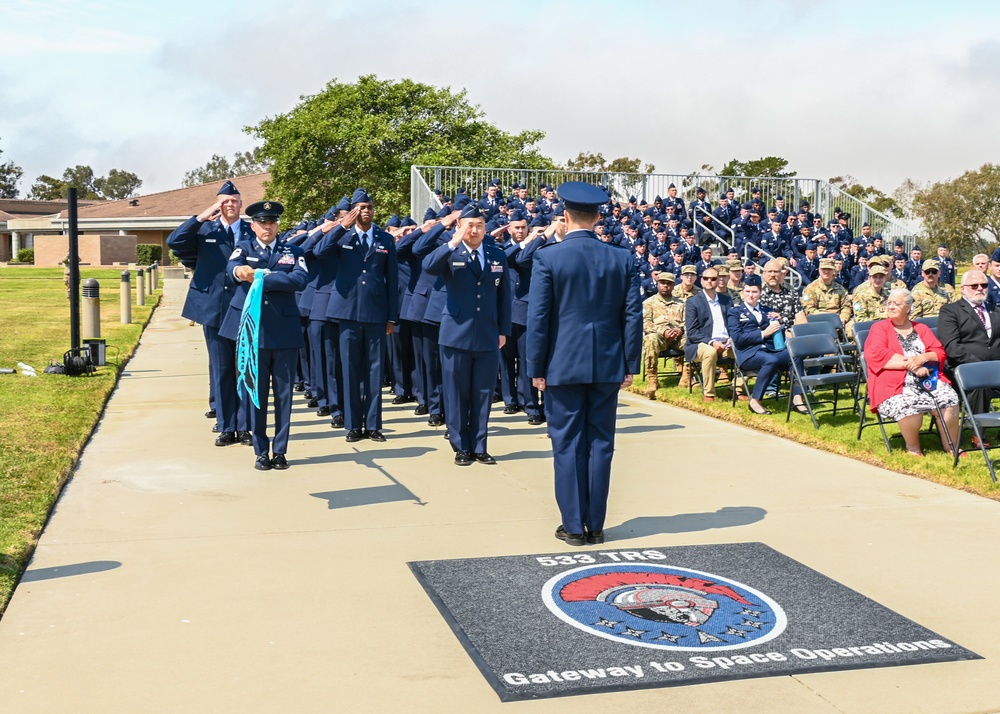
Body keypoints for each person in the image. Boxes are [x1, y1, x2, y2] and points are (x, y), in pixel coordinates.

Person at [527, 181, 642, 547]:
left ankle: (574, 526)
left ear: (565, 216)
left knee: (566, 444)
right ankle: (595, 524)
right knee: (601, 443)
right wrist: (629, 363)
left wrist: (536, 367)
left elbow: (539, 317)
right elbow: (632, 316)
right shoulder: (621, 257)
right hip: (607, 363)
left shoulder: (548, 256)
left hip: (562, 364)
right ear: (597, 217)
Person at [221, 200, 310, 470]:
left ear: (277, 225)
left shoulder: (292, 250)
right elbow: (232, 270)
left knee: (284, 396)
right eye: (262, 222)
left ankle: (280, 450)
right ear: (253, 225)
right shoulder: (244, 248)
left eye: (271, 222)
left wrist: (260, 278)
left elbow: (300, 280)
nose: (267, 226)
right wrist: (241, 272)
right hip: (253, 333)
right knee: (256, 395)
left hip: (284, 333)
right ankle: (261, 450)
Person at [166, 180, 254, 447]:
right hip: (214, 307)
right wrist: (201, 216)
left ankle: (246, 425)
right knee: (221, 367)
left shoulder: (252, 231)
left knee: (245, 368)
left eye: (234, 201)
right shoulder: (205, 229)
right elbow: (175, 241)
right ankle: (227, 426)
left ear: (240, 204)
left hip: (243, 307)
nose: (230, 205)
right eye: (224, 201)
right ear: (218, 204)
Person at [423, 204, 511, 465]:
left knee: (483, 392)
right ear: (461, 226)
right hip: (455, 334)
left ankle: (479, 445)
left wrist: (504, 330)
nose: (474, 230)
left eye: (479, 226)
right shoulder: (451, 252)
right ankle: (461, 446)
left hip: (487, 333)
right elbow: (428, 266)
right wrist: (452, 242)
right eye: (470, 225)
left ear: (486, 229)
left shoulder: (497, 255)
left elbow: (504, 297)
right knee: (456, 392)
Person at [314, 188, 398, 443]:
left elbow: (392, 281)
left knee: (374, 370)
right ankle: (352, 425)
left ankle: (373, 425)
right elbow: (319, 252)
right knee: (349, 370)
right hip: (347, 312)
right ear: (353, 212)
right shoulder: (342, 237)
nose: (366, 212)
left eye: (369, 208)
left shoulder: (385, 239)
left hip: (375, 313)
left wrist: (391, 317)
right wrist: (341, 227)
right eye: (360, 208)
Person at [864, 288, 960, 457]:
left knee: (949, 398)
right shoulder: (879, 328)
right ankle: (913, 447)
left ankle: (951, 446)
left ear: (908, 308)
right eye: (889, 303)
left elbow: (939, 352)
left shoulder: (921, 328)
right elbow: (876, 354)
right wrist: (912, 365)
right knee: (908, 404)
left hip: (928, 379)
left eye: (896, 304)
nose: (891, 306)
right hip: (894, 383)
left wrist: (923, 357)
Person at [727, 283, 807, 415]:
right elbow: (737, 338)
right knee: (770, 361)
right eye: (747, 291)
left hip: (770, 350)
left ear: (760, 293)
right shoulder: (735, 312)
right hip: (748, 353)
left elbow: (778, 335)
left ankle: (797, 397)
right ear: (742, 292)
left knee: (795, 354)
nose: (750, 295)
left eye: (754, 292)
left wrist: (780, 322)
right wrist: (764, 333)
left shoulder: (767, 310)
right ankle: (755, 400)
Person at [938, 269, 1000, 425]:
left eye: (984, 285)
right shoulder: (950, 311)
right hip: (965, 366)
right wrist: (980, 366)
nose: (980, 288)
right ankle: (979, 432)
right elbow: (952, 347)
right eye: (974, 285)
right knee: (979, 381)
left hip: (996, 366)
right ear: (963, 288)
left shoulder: (996, 310)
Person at [684, 266, 734, 402]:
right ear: (701, 280)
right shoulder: (693, 302)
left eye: (713, 279)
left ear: (718, 281)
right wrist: (712, 342)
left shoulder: (727, 300)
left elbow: (733, 324)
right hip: (701, 344)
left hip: (726, 343)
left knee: (747, 349)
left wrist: (732, 338)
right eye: (706, 278)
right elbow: (692, 332)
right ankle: (709, 394)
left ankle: (736, 388)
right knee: (710, 352)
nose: (709, 281)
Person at [641, 271, 685, 398]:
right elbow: (645, 323)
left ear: (673, 285)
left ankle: (687, 375)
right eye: (662, 283)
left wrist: (680, 330)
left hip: (678, 337)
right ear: (657, 284)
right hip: (660, 337)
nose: (665, 286)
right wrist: (664, 331)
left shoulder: (681, 303)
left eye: (669, 284)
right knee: (649, 339)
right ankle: (652, 379)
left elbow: (688, 321)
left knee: (693, 341)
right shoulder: (648, 303)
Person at [801, 258, 852, 327]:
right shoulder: (811, 288)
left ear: (834, 270)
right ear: (819, 270)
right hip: (819, 322)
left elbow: (846, 306)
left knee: (852, 330)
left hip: (839, 321)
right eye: (824, 269)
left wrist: (843, 318)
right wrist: (829, 320)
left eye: (829, 269)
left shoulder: (840, 289)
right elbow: (809, 309)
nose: (826, 272)